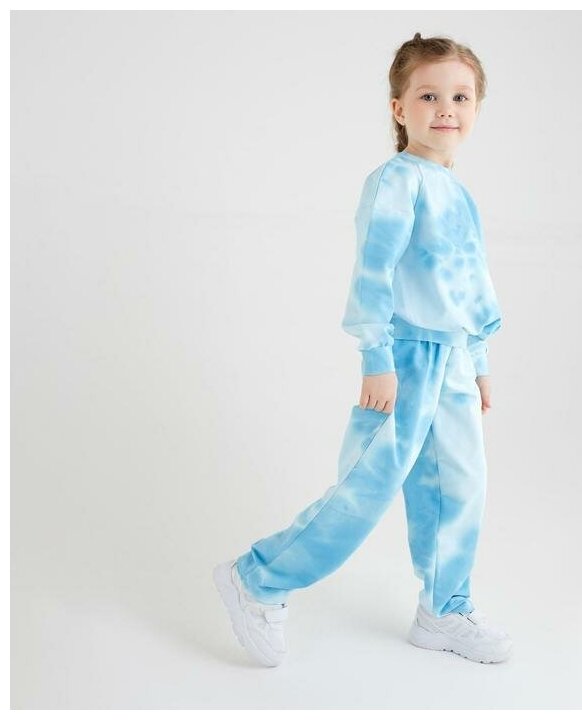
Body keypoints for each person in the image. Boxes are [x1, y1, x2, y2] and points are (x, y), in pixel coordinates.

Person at [213, 31, 512, 667]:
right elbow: (373, 274)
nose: (446, 109)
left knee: (461, 486)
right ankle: (257, 578)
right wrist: (377, 357)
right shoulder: (396, 183)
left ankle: (445, 607)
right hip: (404, 356)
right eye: (428, 95)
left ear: (477, 108)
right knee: (366, 489)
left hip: (453, 360)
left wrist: (479, 359)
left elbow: (469, 282)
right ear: (399, 108)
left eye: (461, 97)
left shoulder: (456, 190)